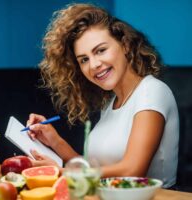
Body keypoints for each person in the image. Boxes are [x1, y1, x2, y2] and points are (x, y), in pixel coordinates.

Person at [26, 3, 179, 188]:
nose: (94, 65)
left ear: (125, 45)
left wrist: (62, 172)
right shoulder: (111, 103)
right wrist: (55, 141)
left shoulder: (152, 92)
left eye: (100, 50)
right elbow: (94, 170)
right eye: (84, 59)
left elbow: (132, 171)